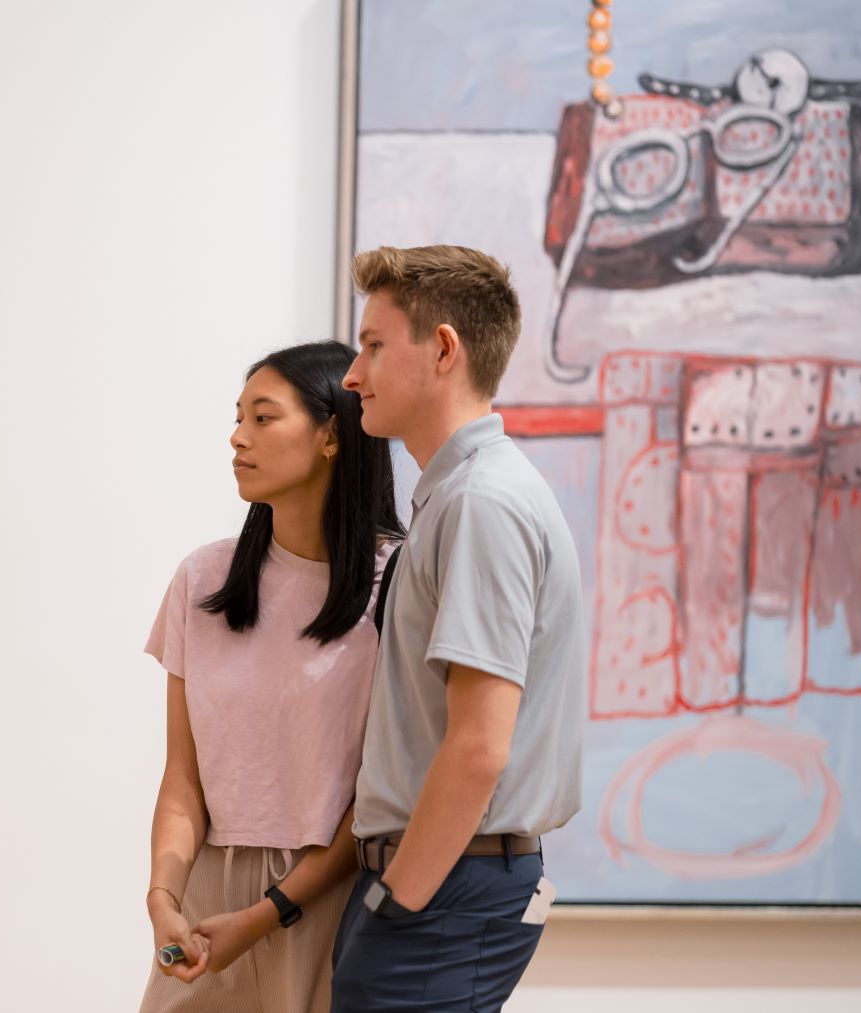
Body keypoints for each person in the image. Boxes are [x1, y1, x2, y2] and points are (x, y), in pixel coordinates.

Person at [330, 245, 588, 1013]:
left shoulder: (483, 501)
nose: (352, 373)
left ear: (443, 349)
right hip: (438, 883)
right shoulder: (463, 497)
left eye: (373, 345)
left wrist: (399, 900)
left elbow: (479, 746)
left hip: (441, 889)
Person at [140, 340, 404, 1013]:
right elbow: (183, 779)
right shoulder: (203, 579)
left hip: (327, 903)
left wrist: (268, 911)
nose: (237, 437)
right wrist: (163, 900)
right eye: (238, 417)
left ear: (330, 436)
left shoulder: (396, 584)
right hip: (204, 901)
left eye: (263, 418)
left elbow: (380, 796)